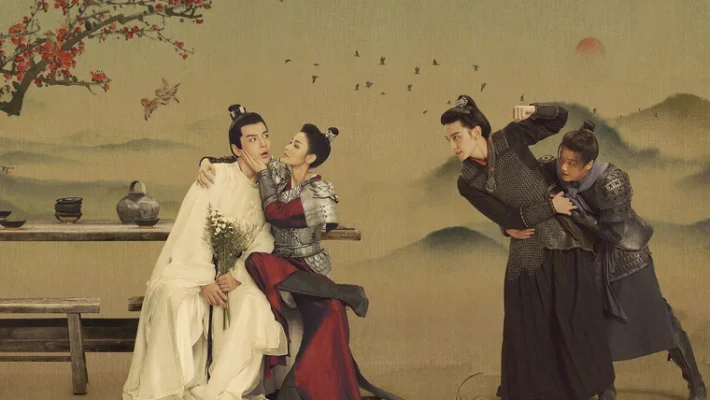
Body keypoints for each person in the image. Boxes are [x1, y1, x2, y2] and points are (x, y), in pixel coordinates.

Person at [199, 124, 402, 400]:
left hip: (308, 267)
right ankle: (343, 292)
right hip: (279, 264)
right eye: (290, 141)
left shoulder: (319, 189)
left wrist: (263, 175)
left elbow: (276, 214)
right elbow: (240, 156)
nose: (286, 147)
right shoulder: (279, 172)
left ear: (310, 158)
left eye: (296, 145)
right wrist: (206, 161)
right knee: (256, 260)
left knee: (331, 313)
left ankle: (295, 387)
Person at [507, 120, 706, 400]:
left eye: (572, 163)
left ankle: (696, 382)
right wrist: (509, 224)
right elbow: (519, 190)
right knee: (591, 324)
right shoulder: (554, 169)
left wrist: (579, 216)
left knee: (660, 320)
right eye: (562, 158)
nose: (564, 167)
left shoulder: (612, 182)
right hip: (585, 255)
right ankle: (605, 388)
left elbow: (614, 232)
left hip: (625, 256)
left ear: (589, 165)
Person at [441, 95, 615, 400]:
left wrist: (535, 109)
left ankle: (600, 385)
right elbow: (507, 218)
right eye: (448, 140)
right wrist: (550, 207)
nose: (453, 146)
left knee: (578, 314)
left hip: (562, 236)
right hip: (527, 248)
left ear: (476, 132)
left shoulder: (510, 137)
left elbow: (560, 118)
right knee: (528, 325)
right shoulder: (466, 182)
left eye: (456, 137)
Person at [123, 104, 288, 400]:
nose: (263, 144)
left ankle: (225, 389)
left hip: (236, 272)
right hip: (194, 270)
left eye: (265, 136)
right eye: (252, 139)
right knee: (177, 300)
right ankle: (176, 388)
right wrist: (203, 280)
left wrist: (238, 275)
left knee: (251, 304)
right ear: (237, 149)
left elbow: (264, 238)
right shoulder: (217, 176)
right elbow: (194, 231)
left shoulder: (271, 182)